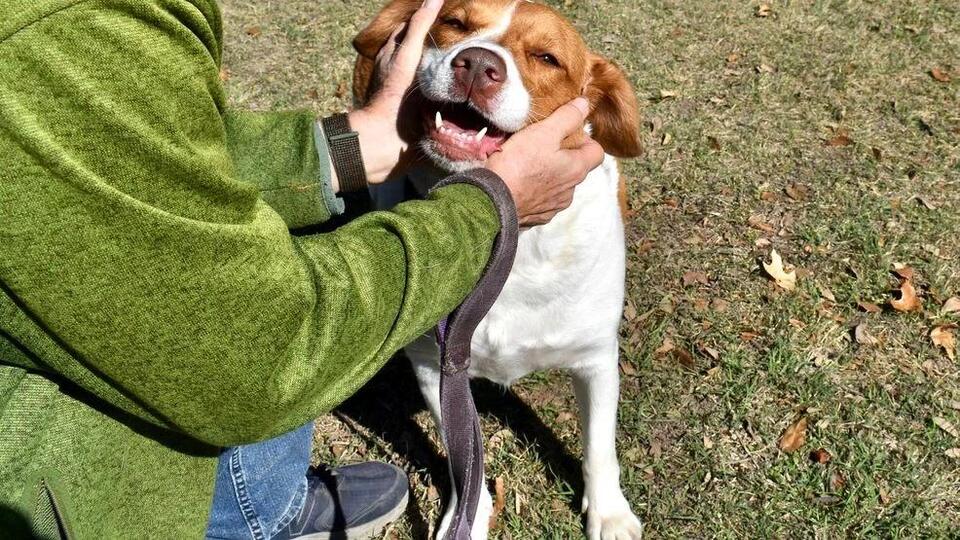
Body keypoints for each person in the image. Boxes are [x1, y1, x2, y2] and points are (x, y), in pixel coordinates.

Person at [0, 0, 605, 538]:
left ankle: (255, 498)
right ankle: (246, 512)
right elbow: (260, 354)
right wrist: (492, 206)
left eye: (544, 56)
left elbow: (158, 151)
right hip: (61, 495)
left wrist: (351, 144)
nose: (482, 58)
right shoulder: (58, 29)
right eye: (457, 25)